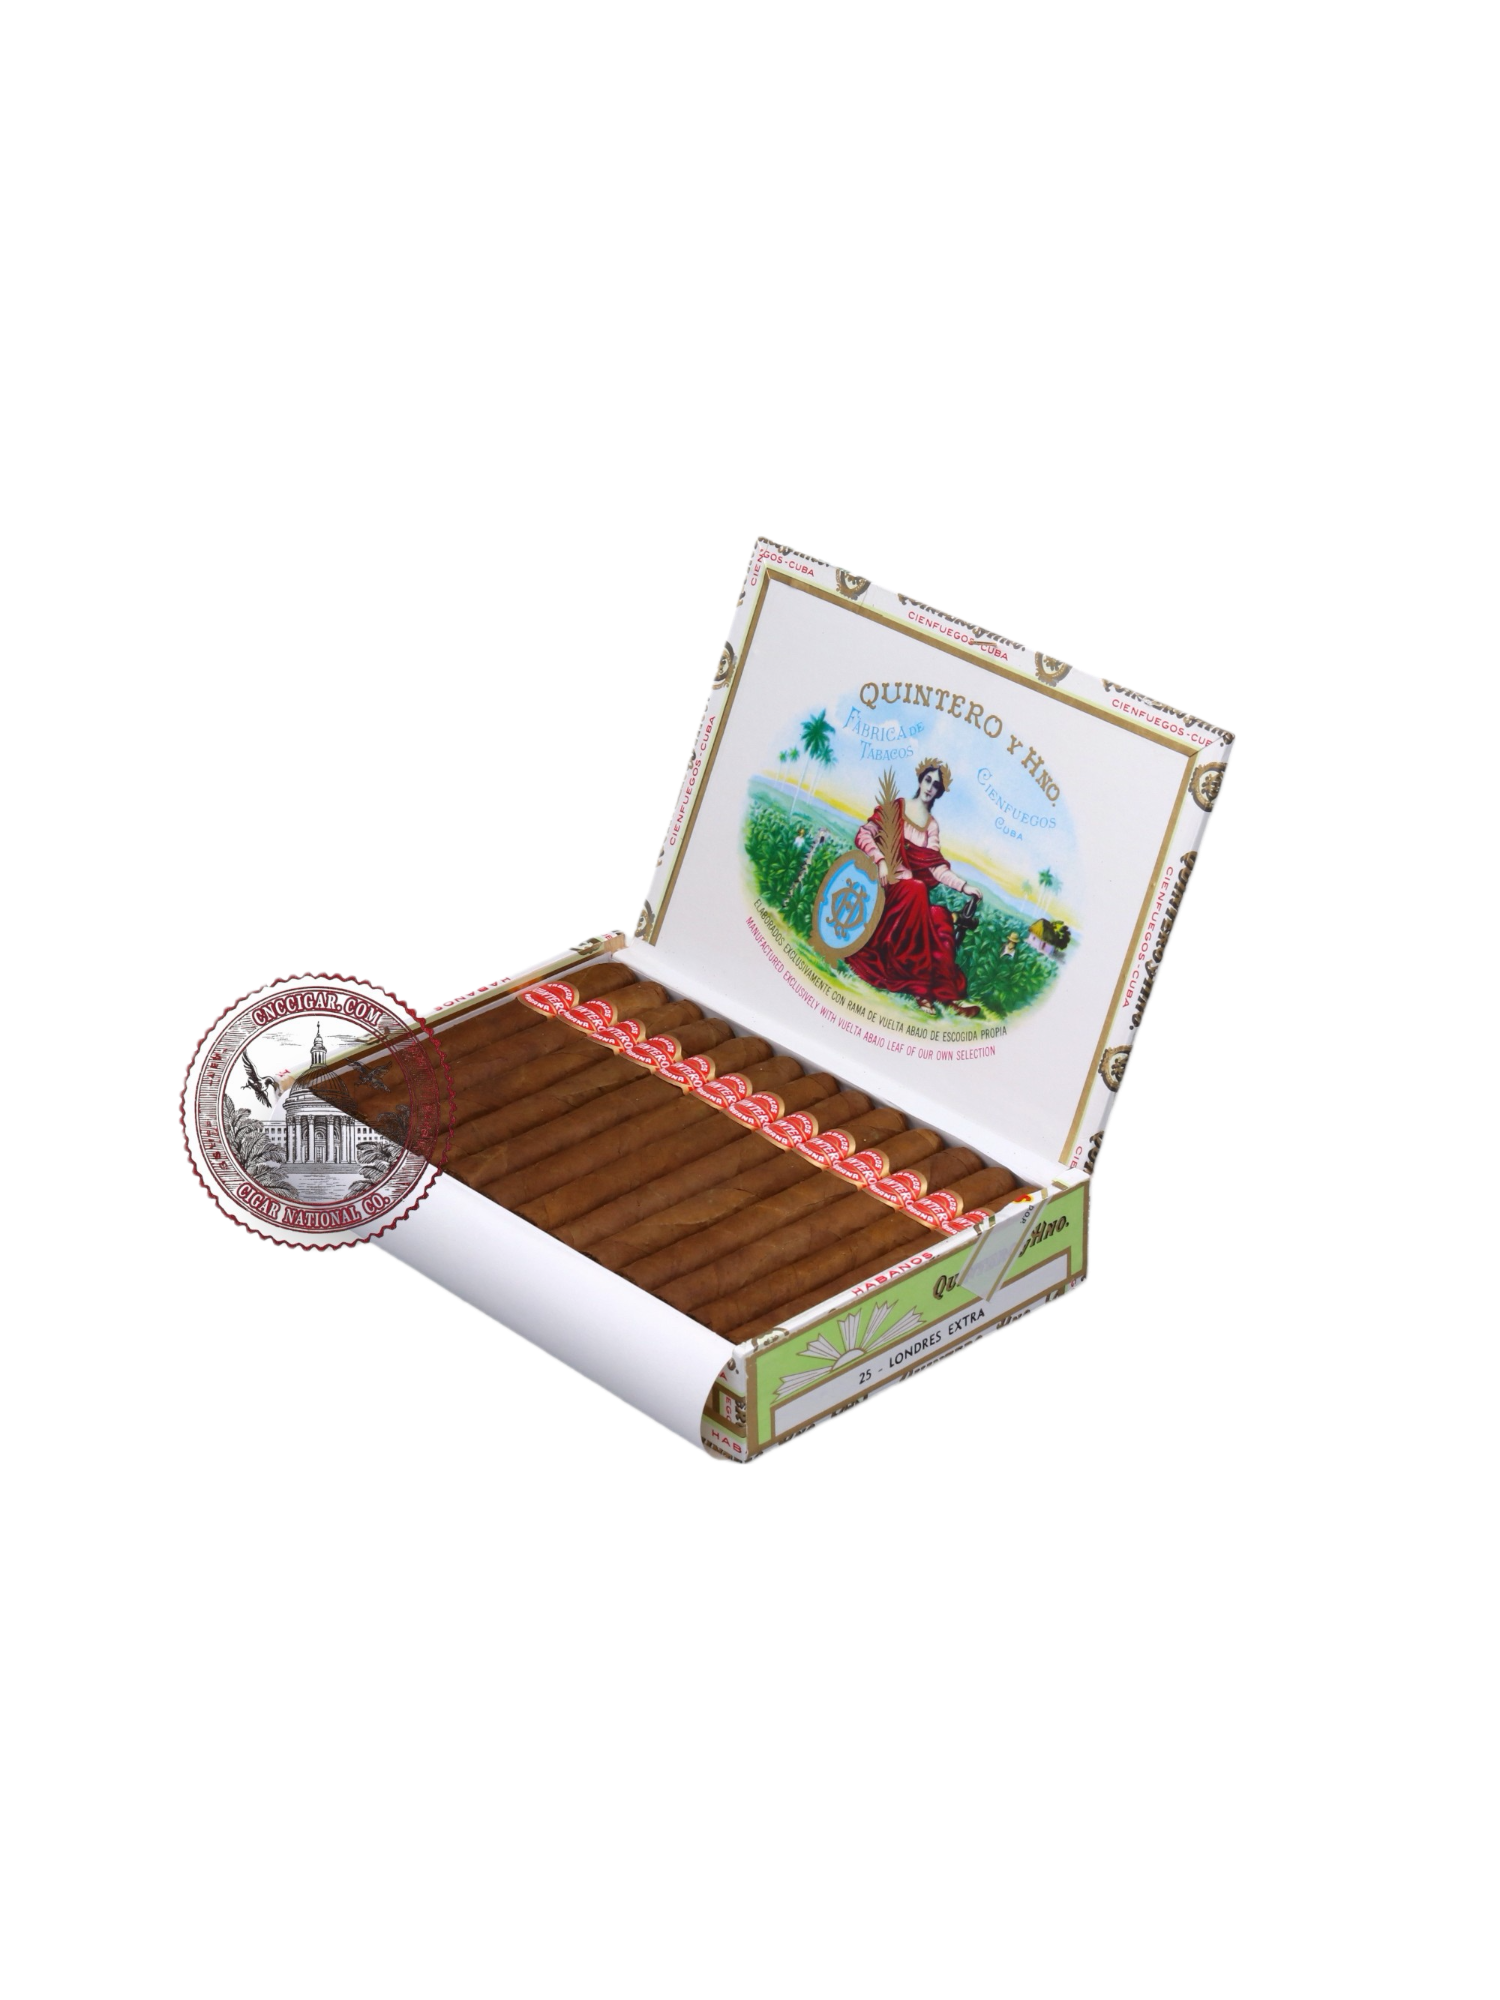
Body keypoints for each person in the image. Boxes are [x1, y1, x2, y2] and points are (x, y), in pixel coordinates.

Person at [847, 759, 980, 1012]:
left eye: (936, 785)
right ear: (920, 780)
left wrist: (964, 887)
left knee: (939, 916)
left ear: (939, 792)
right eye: (928, 780)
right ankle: (921, 990)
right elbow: (864, 834)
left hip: (912, 897)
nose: (930, 787)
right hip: (886, 887)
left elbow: (936, 867)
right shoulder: (896, 808)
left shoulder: (931, 826)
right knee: (916, 888)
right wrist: (880, 861)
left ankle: (948, 996)